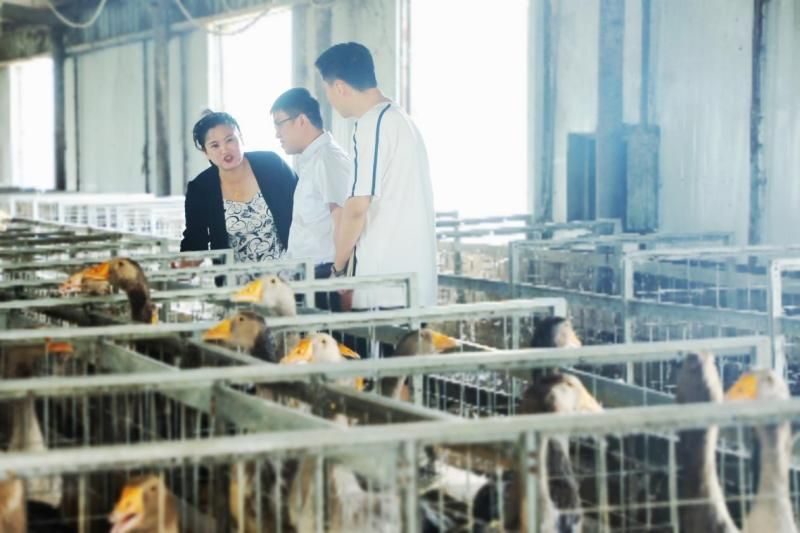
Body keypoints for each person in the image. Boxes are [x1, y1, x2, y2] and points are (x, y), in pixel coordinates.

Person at [315, 42, 438, 311]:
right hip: (415, 287)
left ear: (340, 87)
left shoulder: (371, 124)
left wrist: (338, 269)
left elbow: (357, 207)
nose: (330, 99)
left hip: (385, 287)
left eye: (327, 90)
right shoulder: (403, 119)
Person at [180, 111, 297, 277]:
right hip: (235, 285)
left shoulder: (272, 165)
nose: (224, 149)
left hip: (289, 277)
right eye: (214, 145)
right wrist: (183, 267)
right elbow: (195, 240)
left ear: (241, 138)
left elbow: (304, 208)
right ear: (206, 152)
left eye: (230, 140)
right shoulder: (200, 189)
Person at [271, 88, 351, 309]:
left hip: (325, 275)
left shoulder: (328, 159)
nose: (277, 134)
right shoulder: (313, 160)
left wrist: (340, 273)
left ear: (301, 121)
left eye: (279, 124)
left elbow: (342, 217)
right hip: (310, 275)